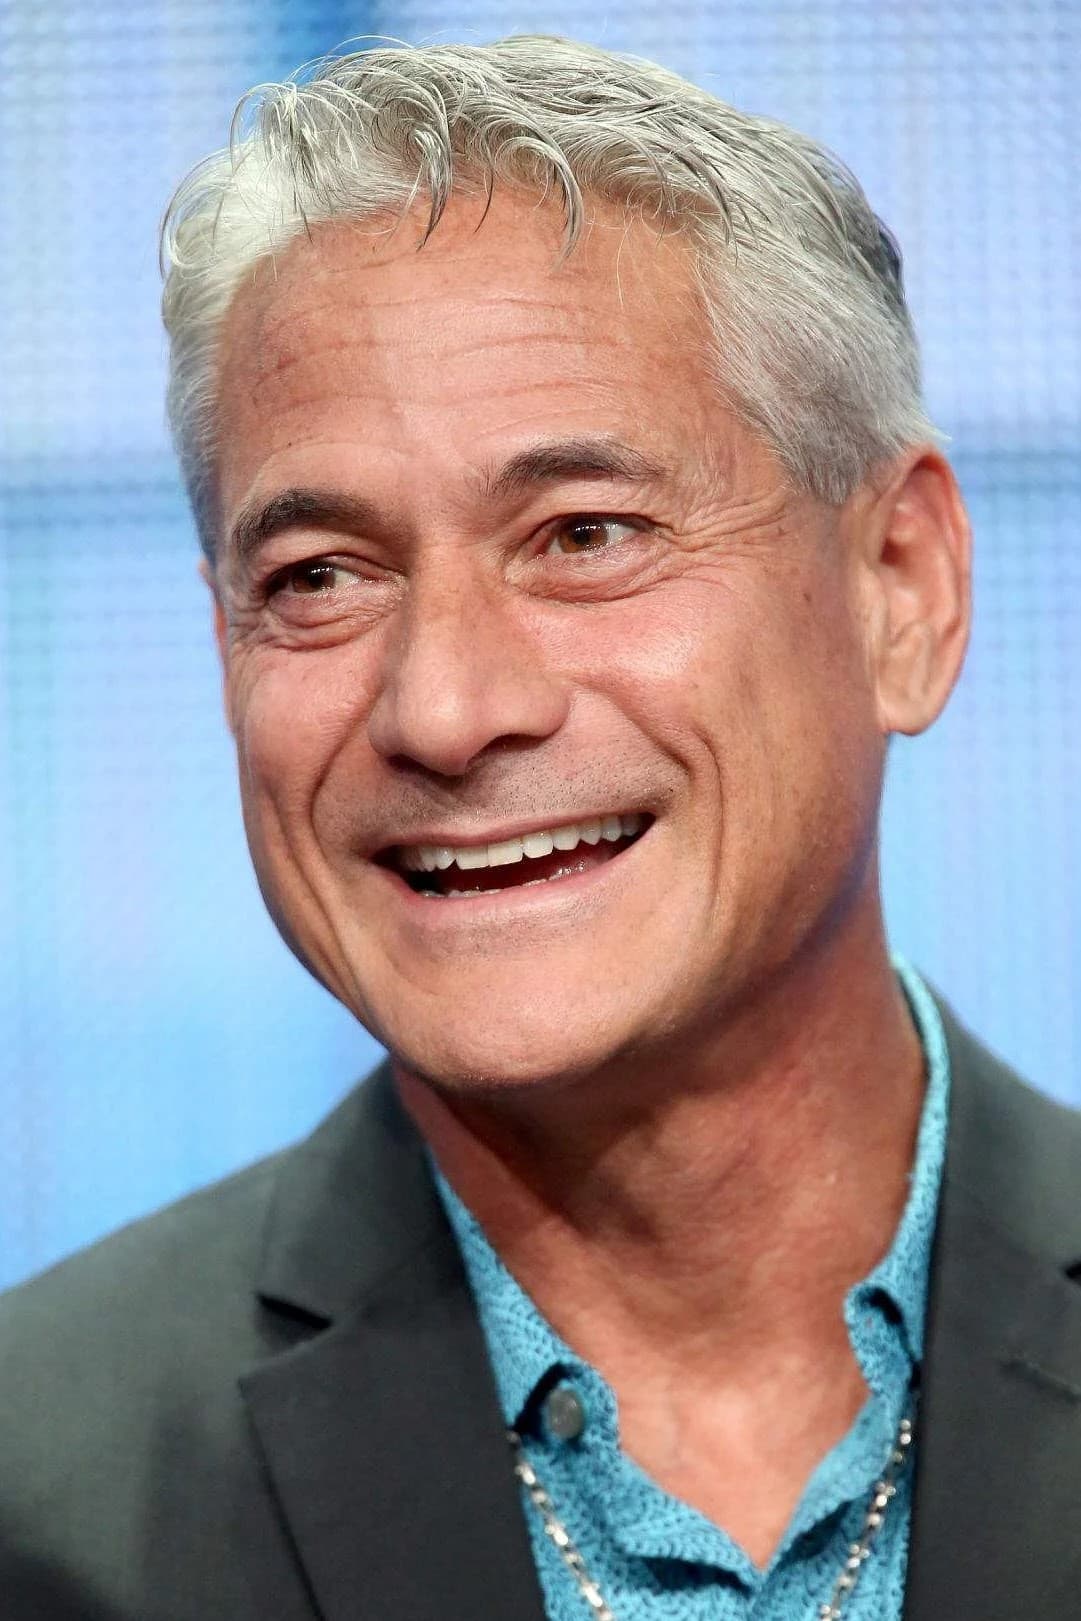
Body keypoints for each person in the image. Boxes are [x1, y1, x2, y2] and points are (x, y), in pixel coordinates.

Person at [1, 34, 1077, 1621]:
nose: (443, 708)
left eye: (584, 534)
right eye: (318, 575)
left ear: (898, 590)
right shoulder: (39, 1494)